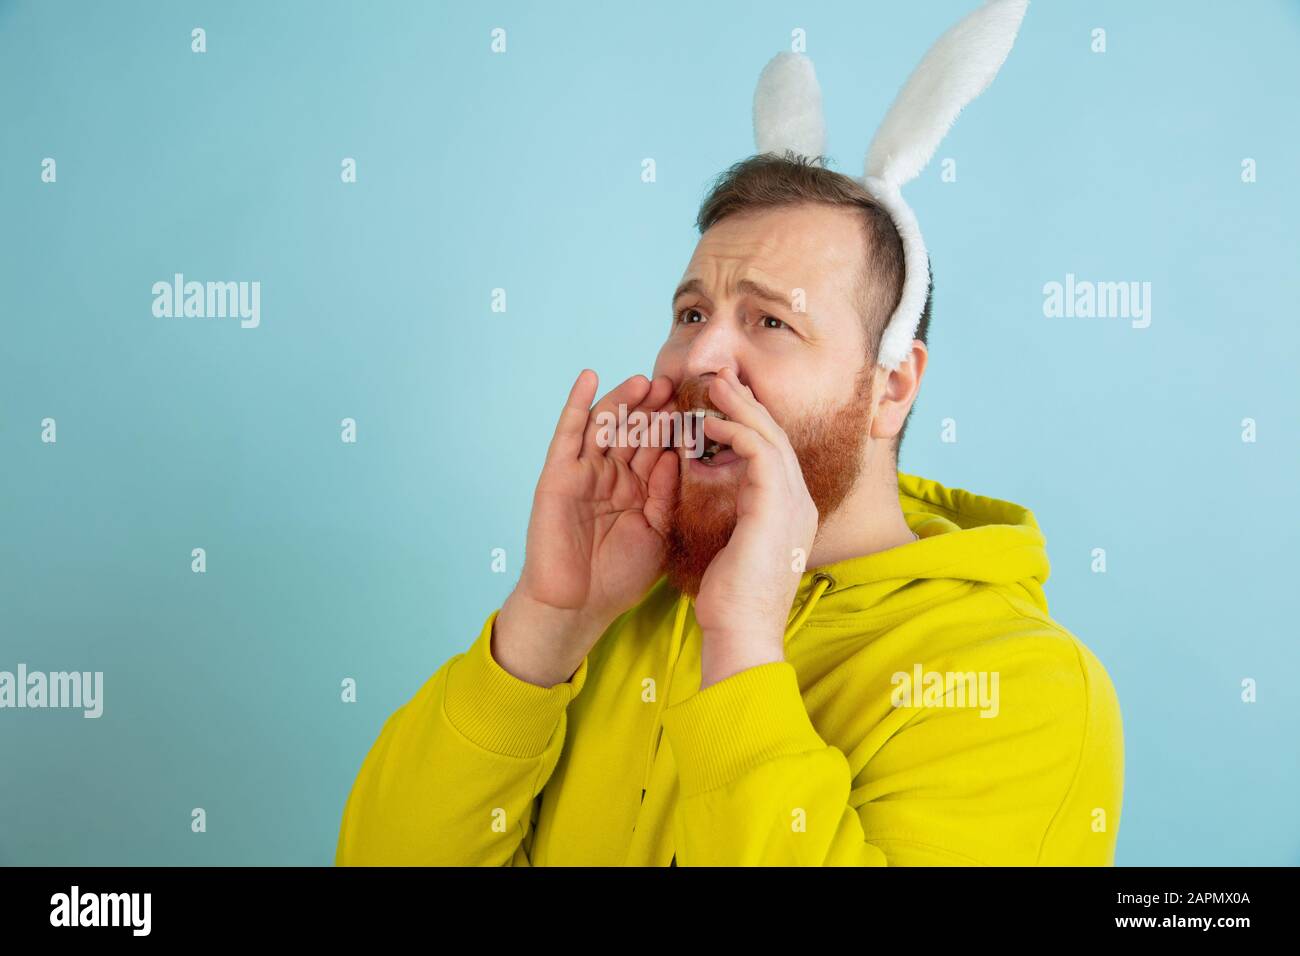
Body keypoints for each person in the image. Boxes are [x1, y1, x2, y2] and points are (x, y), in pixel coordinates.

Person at [333, 150, 1124, 866]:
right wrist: (547, 623)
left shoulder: (1026, 690)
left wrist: (743, 644)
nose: (701, 359)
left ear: (892, 387)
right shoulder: (620, 610)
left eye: (770, 321)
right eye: (691, 314)